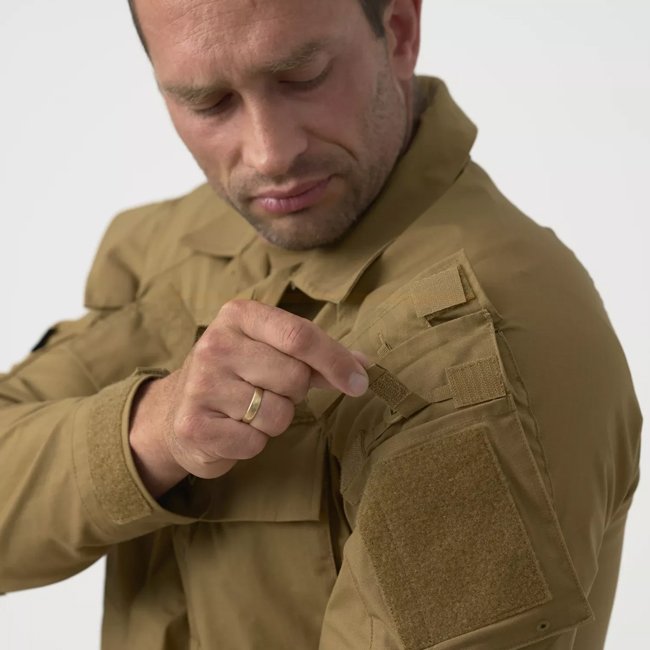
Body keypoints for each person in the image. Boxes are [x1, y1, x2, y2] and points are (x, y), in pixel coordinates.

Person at [0, 0, 641, 648]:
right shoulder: (174, 243)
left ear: (399, 32)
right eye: (208, 103)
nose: (270, 154)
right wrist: (151, 432)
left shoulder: (475, 342)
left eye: (303, 77)